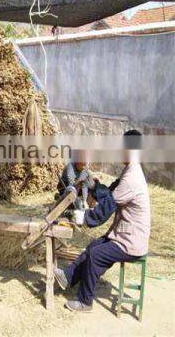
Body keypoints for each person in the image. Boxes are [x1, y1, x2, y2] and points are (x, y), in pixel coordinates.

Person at [54, 130, 150, 312]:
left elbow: (107, 207)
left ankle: (85, 301)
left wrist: (86, 217)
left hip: (131, 242)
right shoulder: (130, 170)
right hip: (123, 234)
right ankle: (67, 277)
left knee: (95, 255)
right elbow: (110, 193)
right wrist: (94, 186)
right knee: (93, 246)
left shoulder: (132, 178)